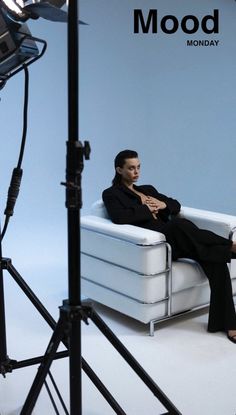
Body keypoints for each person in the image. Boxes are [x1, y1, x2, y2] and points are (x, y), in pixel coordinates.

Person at [102, 149, 236, 343]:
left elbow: (176, 205)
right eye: (131, 168)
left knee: (215, 259)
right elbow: (120, 217)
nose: (136, 172)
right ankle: (230, 246)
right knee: (179, 225)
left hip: (181, 237)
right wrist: (147, 208)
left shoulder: (147, 189)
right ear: (119, 170)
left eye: (138, 167)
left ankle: (228, 324)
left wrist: (162, 205)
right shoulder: (112, 194)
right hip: (161, 243)